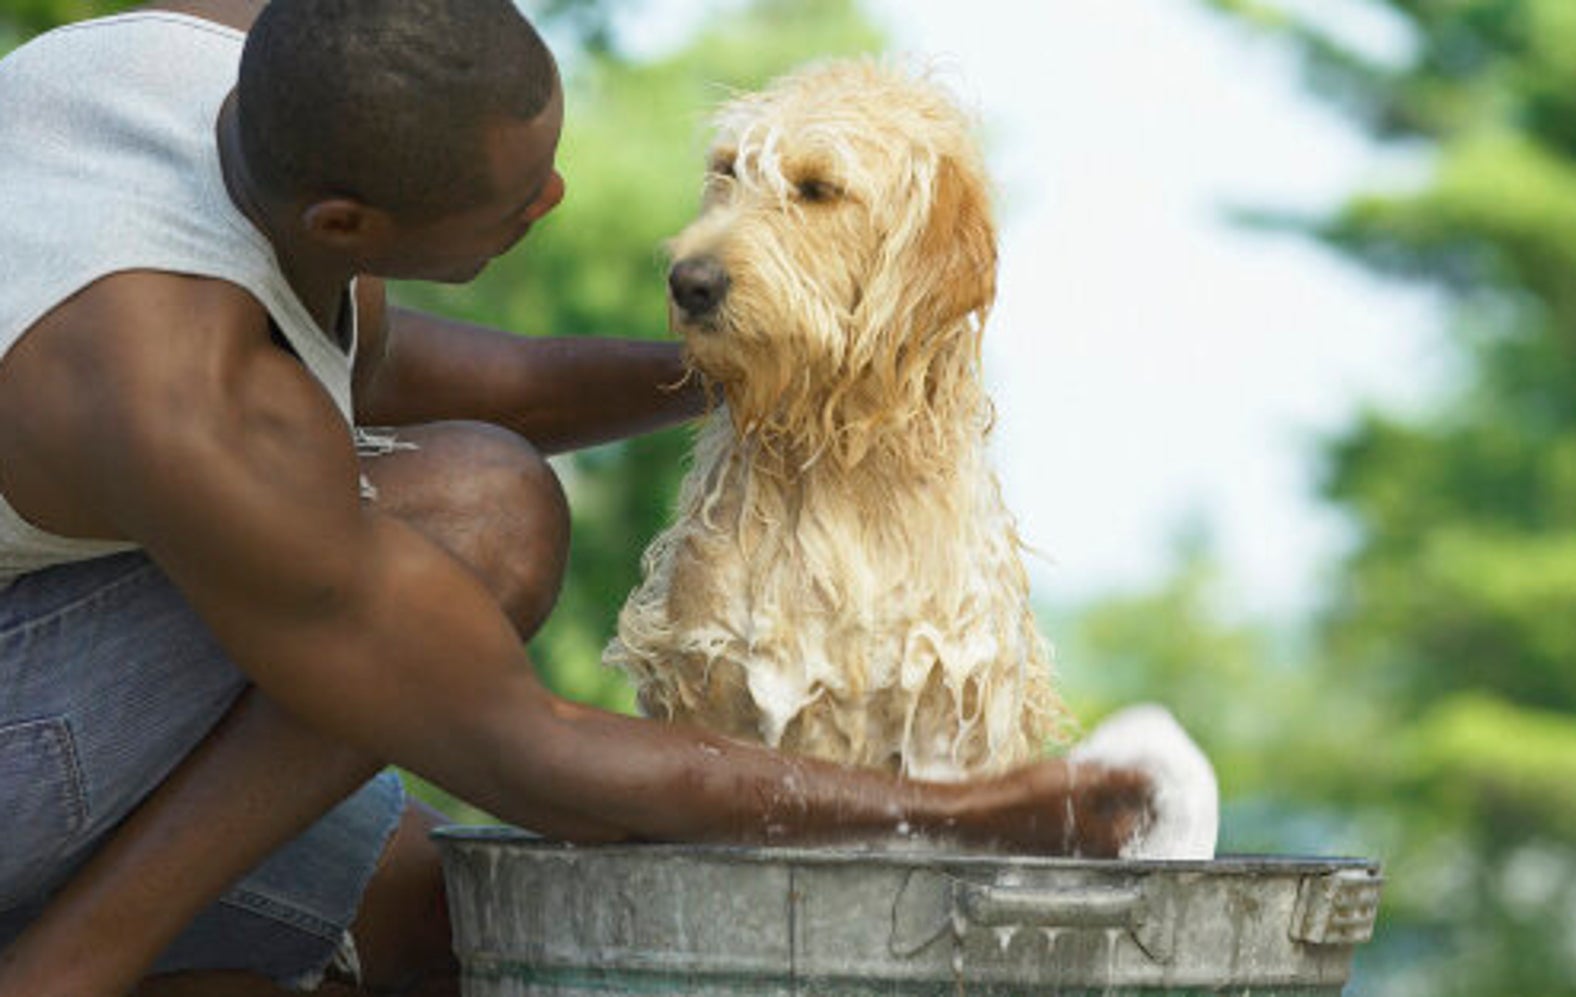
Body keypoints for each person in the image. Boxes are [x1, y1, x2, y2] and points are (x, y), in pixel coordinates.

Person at [0, 1, 1154, 994]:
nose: (551, 196)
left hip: (57, 615)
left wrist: (770, 362)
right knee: (481, 514)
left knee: (445, 928)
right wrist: (979, 814)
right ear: (348, 227)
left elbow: (365, 362)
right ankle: (67, 963)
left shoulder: (259, 64)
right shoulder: (181, 398)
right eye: (508, 201)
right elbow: (533, 757)